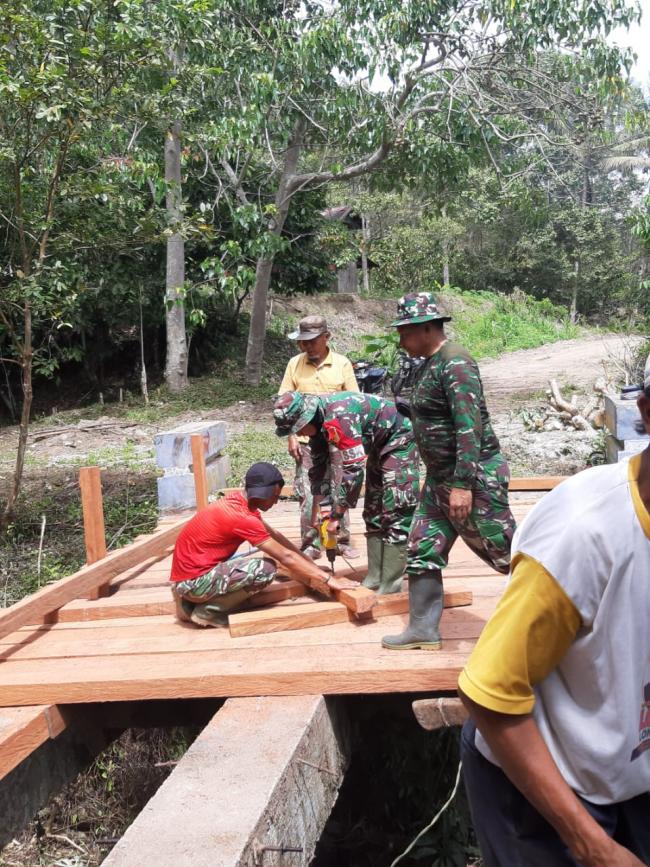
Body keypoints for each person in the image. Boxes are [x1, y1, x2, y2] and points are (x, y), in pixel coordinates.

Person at [457, 356, 650, 867]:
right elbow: (491, 694)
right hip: (546, 776)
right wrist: (593, 846)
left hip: (627, 760)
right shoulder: (586, 535)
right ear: (647, 414)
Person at [382, 291, 516, 650]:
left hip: (472, 478)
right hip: (441, 478)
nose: (400, 340)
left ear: (426, 328)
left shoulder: (455, 362)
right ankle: (423, 629)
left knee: (504, 552)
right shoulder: (428, 363)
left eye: (404, 332)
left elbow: (468, 426)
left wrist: (463, 485)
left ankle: (562, 609)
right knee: (421, 546)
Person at [170, 461, 355, 627]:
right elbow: (285, 556)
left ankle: (189, 604)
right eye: (274, 497)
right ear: (262, 493)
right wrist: (328, 580)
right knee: (265, 569)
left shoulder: (240, 502)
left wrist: (312, 566)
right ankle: (208, 611)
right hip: (193, 583)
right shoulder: (241, 517)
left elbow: (276, 536)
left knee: (265, 563)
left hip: (187, 578)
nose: (275, 502)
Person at [273, 390, 419, 594]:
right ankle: (376, 576)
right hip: (378, 444)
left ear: (308, 416)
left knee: (396, 507)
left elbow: (353, 471)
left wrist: (337, 516)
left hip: (399, 438)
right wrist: (321, 509)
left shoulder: (340, 416)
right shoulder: (319, 424)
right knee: (373, 509)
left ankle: (391, 582)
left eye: (299, 428)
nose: (299, 434)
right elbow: (319, 469)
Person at [279, 314, 359, 560]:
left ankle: (341, 539)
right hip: (305, 442)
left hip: (336, 442)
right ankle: (310, 542)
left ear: (326, 338)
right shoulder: (294, 364)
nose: (307, 346)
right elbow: (284, 403)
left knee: (339, 489)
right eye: (303, 342)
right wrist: (291, 435)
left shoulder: (342, 364)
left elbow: (354, 402)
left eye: (312, 341)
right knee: (308, 492)